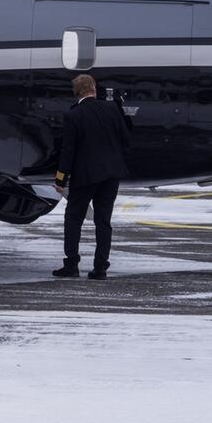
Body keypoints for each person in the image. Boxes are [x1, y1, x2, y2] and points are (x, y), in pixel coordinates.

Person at [53, 74, 131, 280]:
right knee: (103, 220)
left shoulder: (74, 115)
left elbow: (67, 151)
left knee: (73, 218)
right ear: (93, 89)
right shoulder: (113, 109)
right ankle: (101, 267)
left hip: (86, 176)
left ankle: (71, 264)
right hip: (111, 175)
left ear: (76, 92)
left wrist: (60, 179)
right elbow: (126, 138)